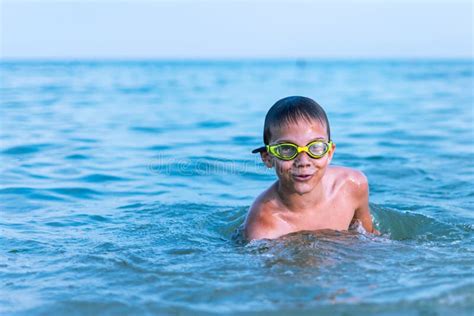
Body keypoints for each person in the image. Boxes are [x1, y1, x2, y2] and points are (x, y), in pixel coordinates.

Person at [244, 96, 379, 241]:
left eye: (315, 147)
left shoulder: (353, 186)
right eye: (287, 149)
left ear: (329, 153)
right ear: (268, 157)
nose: (303, 161)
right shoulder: (263, 229)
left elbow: (370, 238)